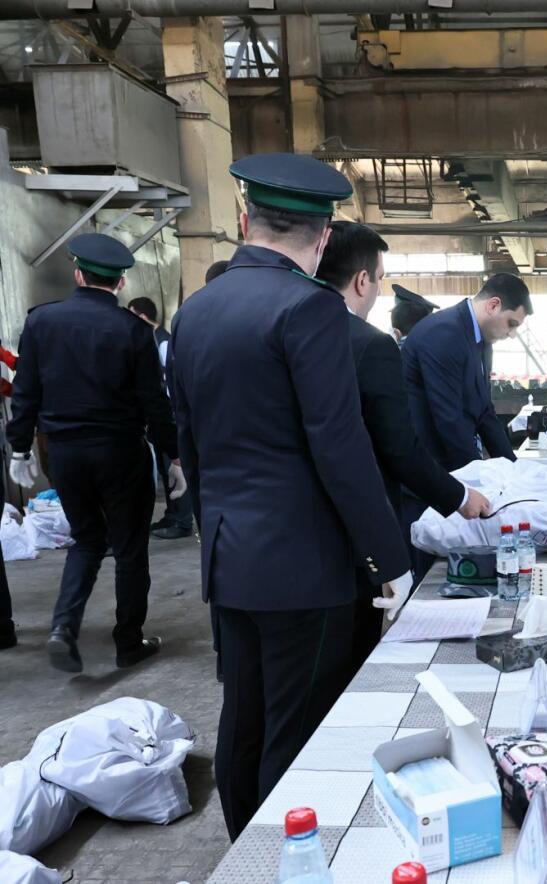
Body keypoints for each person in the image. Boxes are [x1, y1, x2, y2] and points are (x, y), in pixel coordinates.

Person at [169, 153, 413, 840]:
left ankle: (242, 855)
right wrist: (388, 559)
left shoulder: (196, 310)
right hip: (303, 567)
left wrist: (211, 530)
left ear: (246, 219)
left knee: (243, 721)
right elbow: (340, 446)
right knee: (297, 731)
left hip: (229, 556)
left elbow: (191, 442)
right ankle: (280, 861)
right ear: (324, 235)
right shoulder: (310, 308)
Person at [316, 221, 490, 672]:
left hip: (247, 549)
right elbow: (395, 448)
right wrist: (459, 496)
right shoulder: (366, 344)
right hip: (344, 543)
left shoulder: (253, 327)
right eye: (378, 278)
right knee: (339, 673)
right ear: (362, 280)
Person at [7, 233, 180, 673]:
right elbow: (154, 402)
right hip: (121, 452)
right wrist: (175, 455)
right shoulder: (134, 330)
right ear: (121, 282)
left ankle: (63, 627)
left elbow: (26, 390)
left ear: (78, 274)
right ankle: (129, 642)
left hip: (64, 453)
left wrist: (20, 447)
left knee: (86, 539)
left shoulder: (41, 322)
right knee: (129, 547)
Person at [402, 273, 530, 472]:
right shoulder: (444, 334)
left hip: (454, 459)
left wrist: (514, 469)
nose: (512, 334)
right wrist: (478, 477)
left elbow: (484, 411)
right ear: (493, 306)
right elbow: (449, 419)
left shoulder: (482, 340)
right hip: (429, 467)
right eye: (511, 324)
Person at [127, 296, 194, 541]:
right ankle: (171, 514)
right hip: (159, 417)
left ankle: (182, 521)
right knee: (167, 471)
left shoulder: (163, 342)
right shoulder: (150, 340)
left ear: (142, 316)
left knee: (176, 467)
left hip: (170, 416)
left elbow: (170, 383)